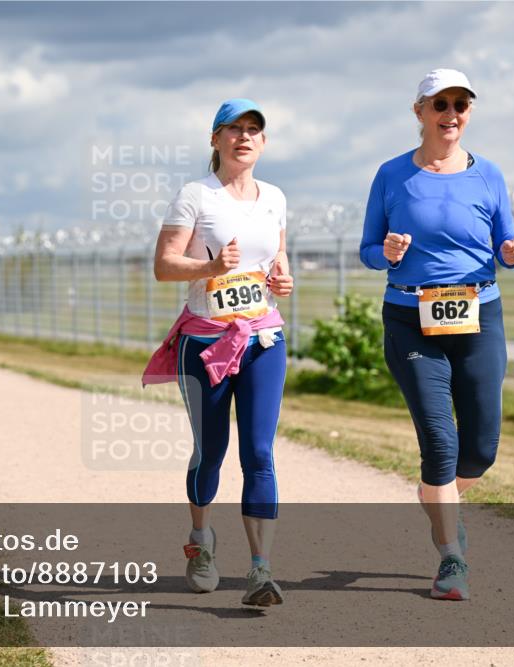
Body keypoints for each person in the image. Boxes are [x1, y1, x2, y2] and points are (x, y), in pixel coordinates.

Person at [359, 69, 514, 601]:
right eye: (440, 104)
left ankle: (440, 499)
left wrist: (513, 252)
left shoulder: (489, 175)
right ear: (419, 112)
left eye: (461, 104)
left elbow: (507, 241)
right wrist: (384, 253)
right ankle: (451, 556)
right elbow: (367, 251)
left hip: (480, 315)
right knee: (440, 440)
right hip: (411, 318)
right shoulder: (391, 175)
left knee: (480, 448)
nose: (451, 113)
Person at [143, 99, 294, 607]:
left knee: (260, 452)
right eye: (234, 130)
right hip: (205, 341)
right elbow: (164, 266)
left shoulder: (274, 197)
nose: (245, 137)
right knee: (212, 452)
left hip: (263, 338)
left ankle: (261, 569)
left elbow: (278, 257)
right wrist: (209, 269)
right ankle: (202, 541)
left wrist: (283, 278)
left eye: (254, 130)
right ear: (216, 140)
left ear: (263, 143)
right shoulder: (195, 196)